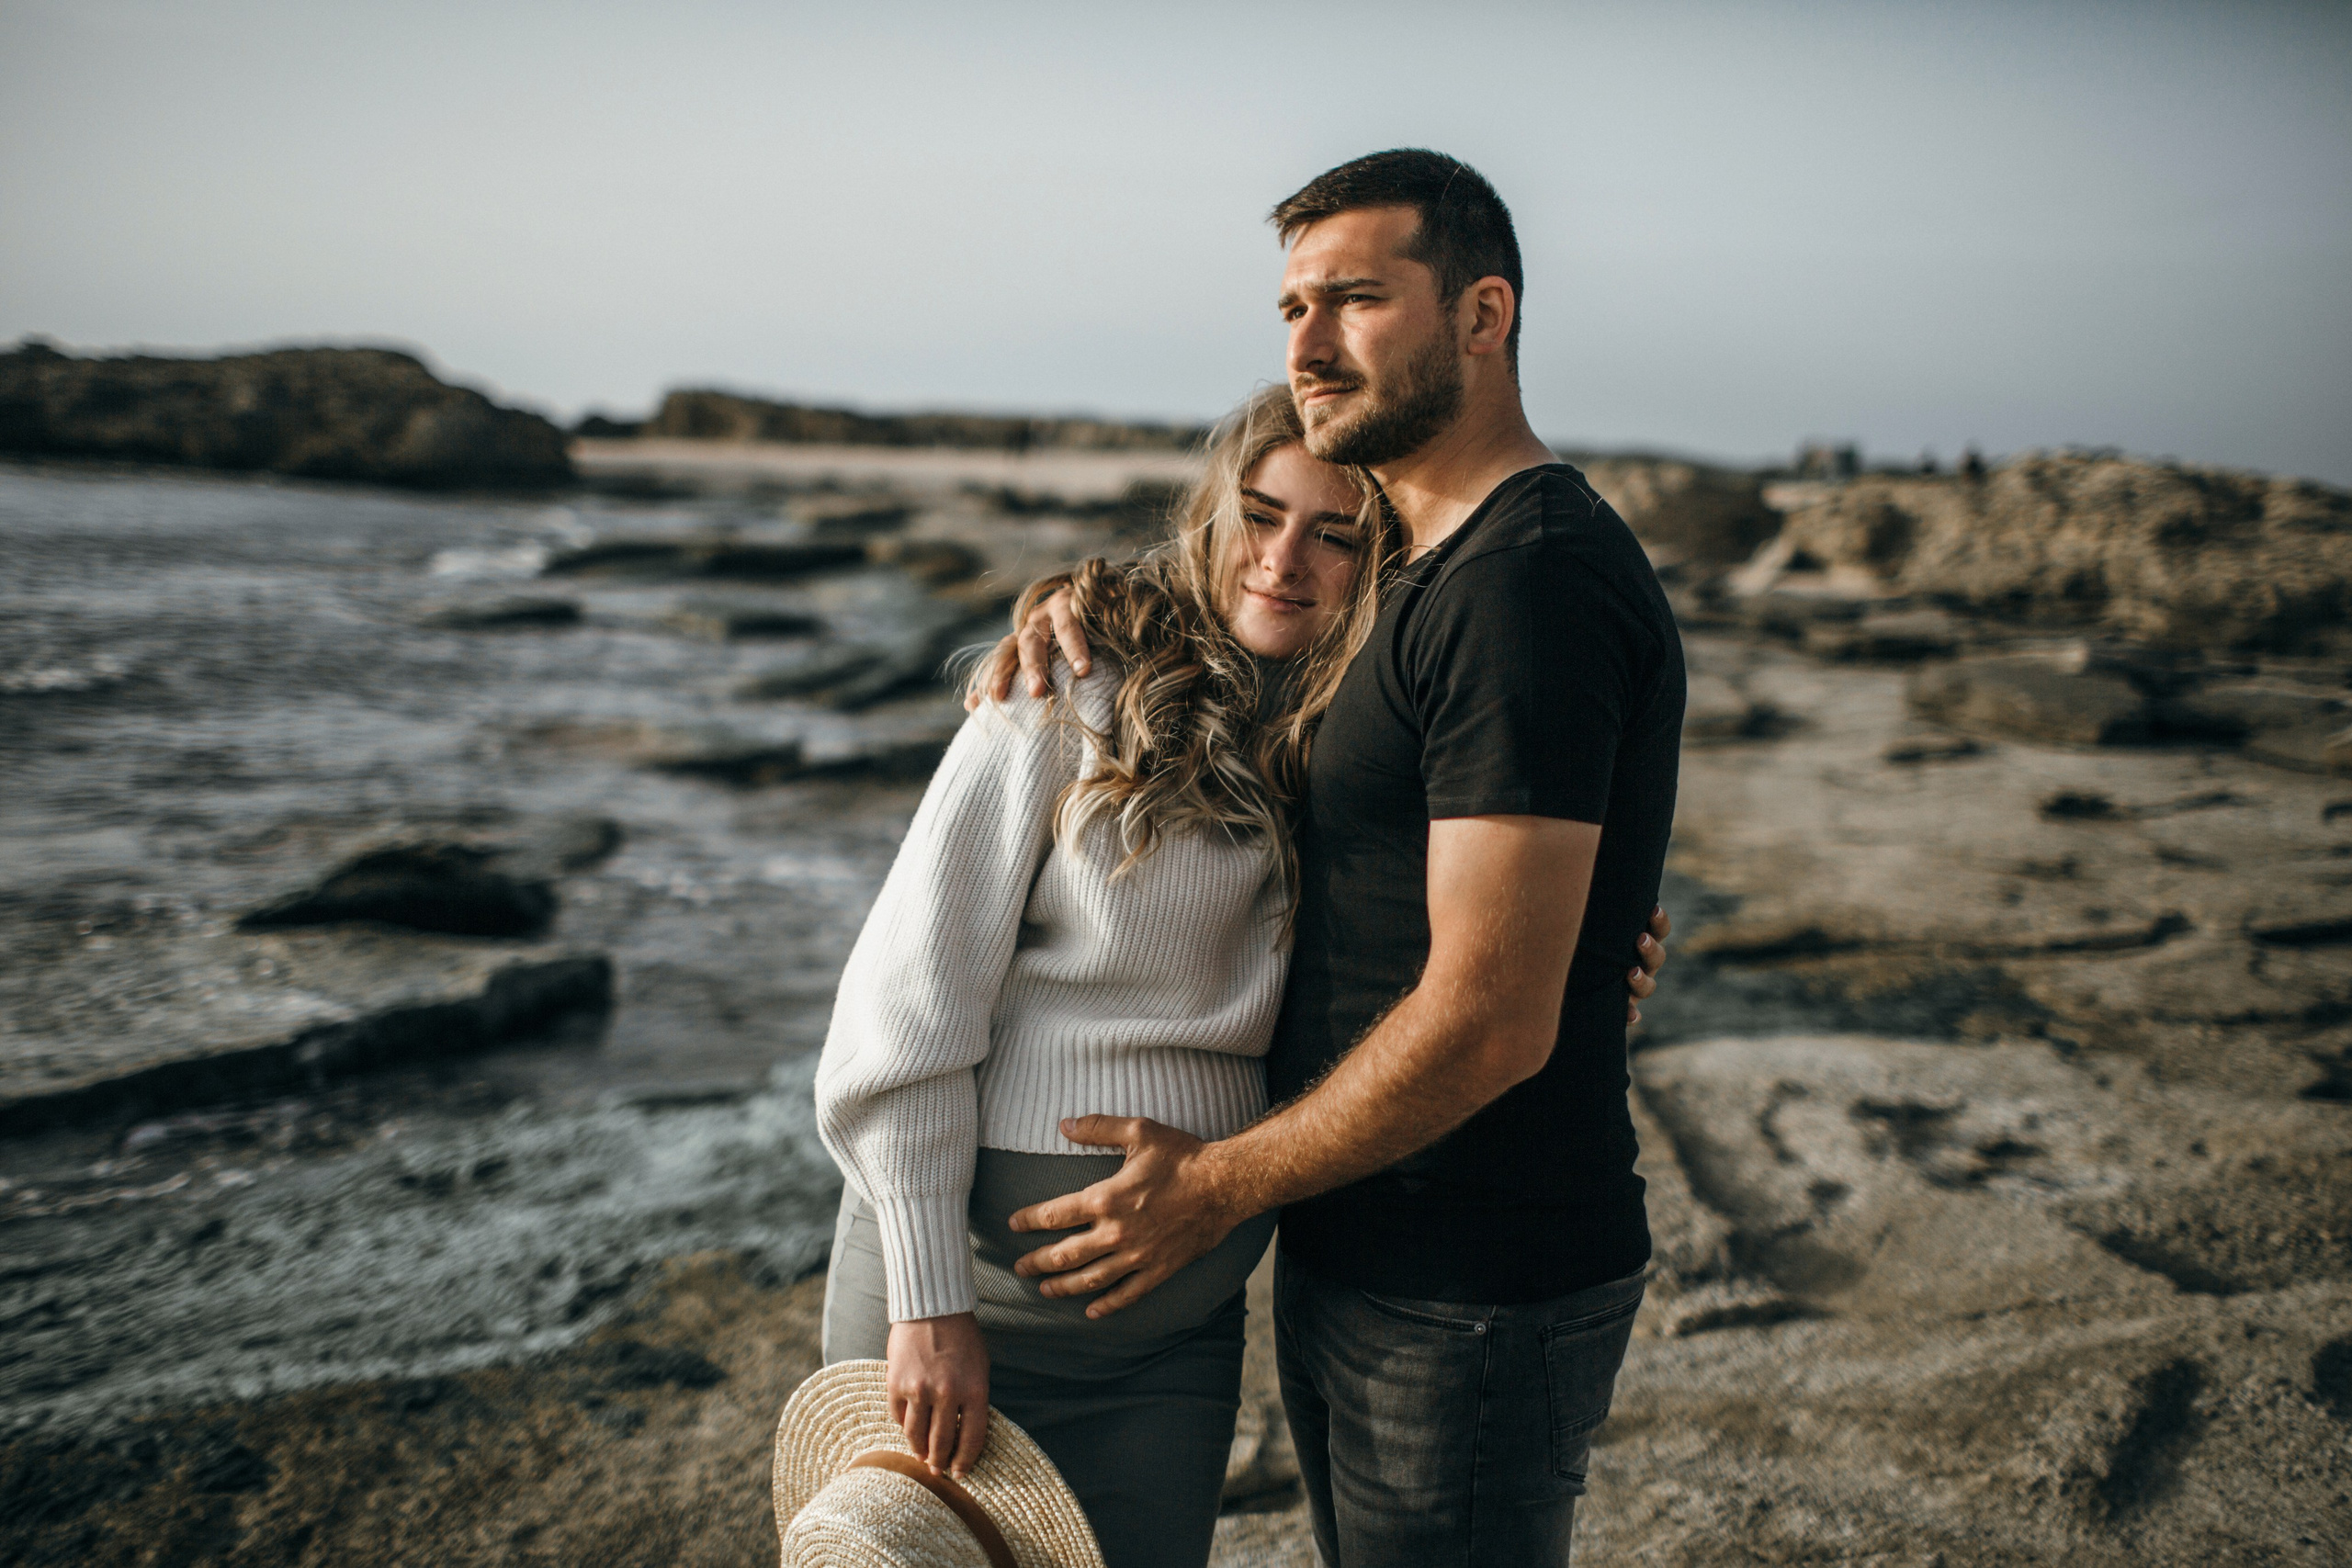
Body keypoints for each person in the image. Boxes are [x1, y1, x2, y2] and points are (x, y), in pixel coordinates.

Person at [816, 385, 1672, 1568]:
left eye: (1334, 534)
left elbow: (1449, 933)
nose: (1283, 563)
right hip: (968, 1303)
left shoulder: (1357, 746)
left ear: (1382, 561)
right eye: (1259, 517)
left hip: (1178, 1340)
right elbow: (902, 1010)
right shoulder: (1070, 690)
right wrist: (926, 1300)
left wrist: (1584, 953)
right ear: (1213, 519)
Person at [987, 149, 1688, 1566]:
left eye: (1356, 301)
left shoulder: (1525, 584)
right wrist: (1088, 598)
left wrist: (1217, 1186)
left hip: (1470, 1273)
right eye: (1292, 307)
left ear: (1482, 316)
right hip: (1366, 1247)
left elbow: (1492, 1016)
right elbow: (1261, 669)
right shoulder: (1417, 569)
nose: (1307, 346)